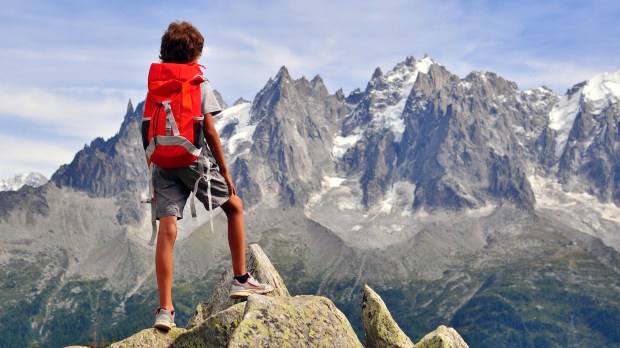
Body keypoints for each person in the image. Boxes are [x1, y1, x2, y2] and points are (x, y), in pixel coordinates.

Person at [143, 21, 273, 331]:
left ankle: (164, 310)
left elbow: (147, 125)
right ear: (193, 54)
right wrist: (225, 172)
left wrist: (155, 164)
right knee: (235, 207)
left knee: (167, 229)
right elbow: (210, 131)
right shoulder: (198, 83)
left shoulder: (156, 84)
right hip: (193, 161)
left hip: (162, 162)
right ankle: (241, 279)